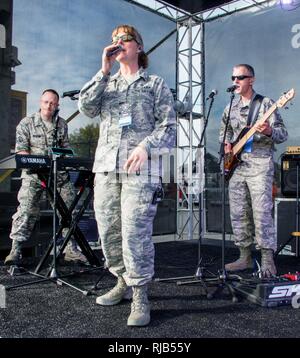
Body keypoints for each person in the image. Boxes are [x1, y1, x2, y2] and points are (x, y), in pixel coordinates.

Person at [78, 25, 176, 326]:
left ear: (139, 47)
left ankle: (140, 294)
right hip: (107, 168)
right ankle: (121, 281)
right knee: (108, 233)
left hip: (140, 171)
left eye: (124, 39)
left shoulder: (155, 84)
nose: (117, 43)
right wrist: (103, 69)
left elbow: (170, 127)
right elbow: (86, 108)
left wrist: (147, 146)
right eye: (114, 40)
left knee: (135, 234)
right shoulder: (107, 83)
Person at [219, 64, 288, 277]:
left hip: (259, 164)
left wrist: (268, 130)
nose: (236, 81)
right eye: (233, 77)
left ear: (252, 79)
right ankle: (244, 257)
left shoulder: (266, 104)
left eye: (241, 77)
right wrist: (227, 144)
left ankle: (268, 260)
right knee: (239, 212)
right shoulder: (230, 106)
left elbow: (282, 134)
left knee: (261, 212)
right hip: (237, 166)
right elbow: (225, 131)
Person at [5, 89, 88, 266]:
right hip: (33, 176)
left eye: (53, 103)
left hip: (58, 176)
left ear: (57, 105)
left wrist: (66, 157)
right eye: (46, 102)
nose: (49, 106)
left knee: (70, 210)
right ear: (40, 102)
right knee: (26, 211)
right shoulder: (26, 123)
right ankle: (16, 250)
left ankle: (71, 250)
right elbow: (21, 151)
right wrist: (35, 162)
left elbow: (65, 149)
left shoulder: (62, 124)